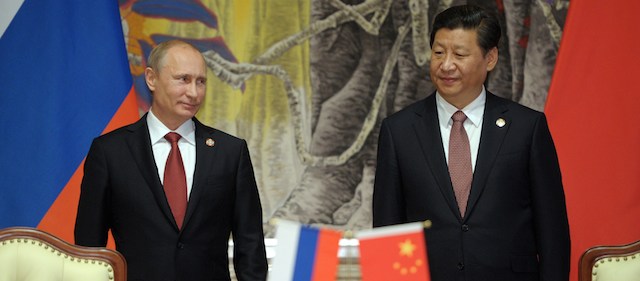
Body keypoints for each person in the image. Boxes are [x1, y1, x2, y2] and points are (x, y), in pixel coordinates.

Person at [372, 5, 570, 281]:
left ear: (490, 58)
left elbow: (553, 232)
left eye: (460, 54)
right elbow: (386, 233)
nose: (446, 64)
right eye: (439, 52)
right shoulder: (399, 131)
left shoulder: (527, 127)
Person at [75, 40, 268, 281]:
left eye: (201, 81)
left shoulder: (230, 152)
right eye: (183, 79)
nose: (194, 92)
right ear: (151, 79)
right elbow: (88, 250)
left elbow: (250, 245)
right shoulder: (110, 152)